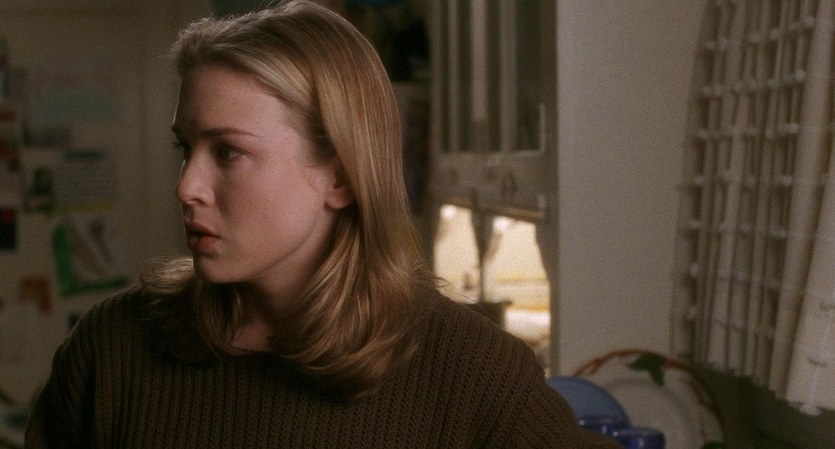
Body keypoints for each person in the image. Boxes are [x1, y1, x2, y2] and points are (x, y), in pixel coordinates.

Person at [24, 1, 619, 447]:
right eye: (186, 148)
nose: (187, 186)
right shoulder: (112, 350)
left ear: (339, 176)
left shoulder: (471, 374)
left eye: (228, 152)